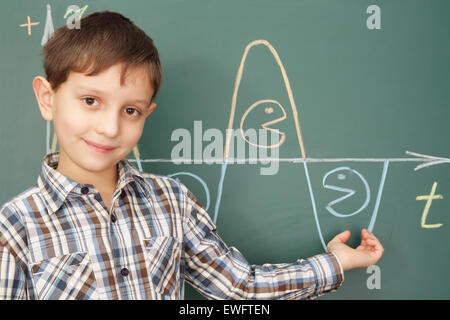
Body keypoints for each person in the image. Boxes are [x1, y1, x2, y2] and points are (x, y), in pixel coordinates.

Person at [0, 11, 383, 300]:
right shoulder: (15, 227)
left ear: (146, 114)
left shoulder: (171, 201)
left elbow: (238, 289)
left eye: (130, 110)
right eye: (90, 101)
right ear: (47, 98)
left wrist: (336, 263)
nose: (110, 128)